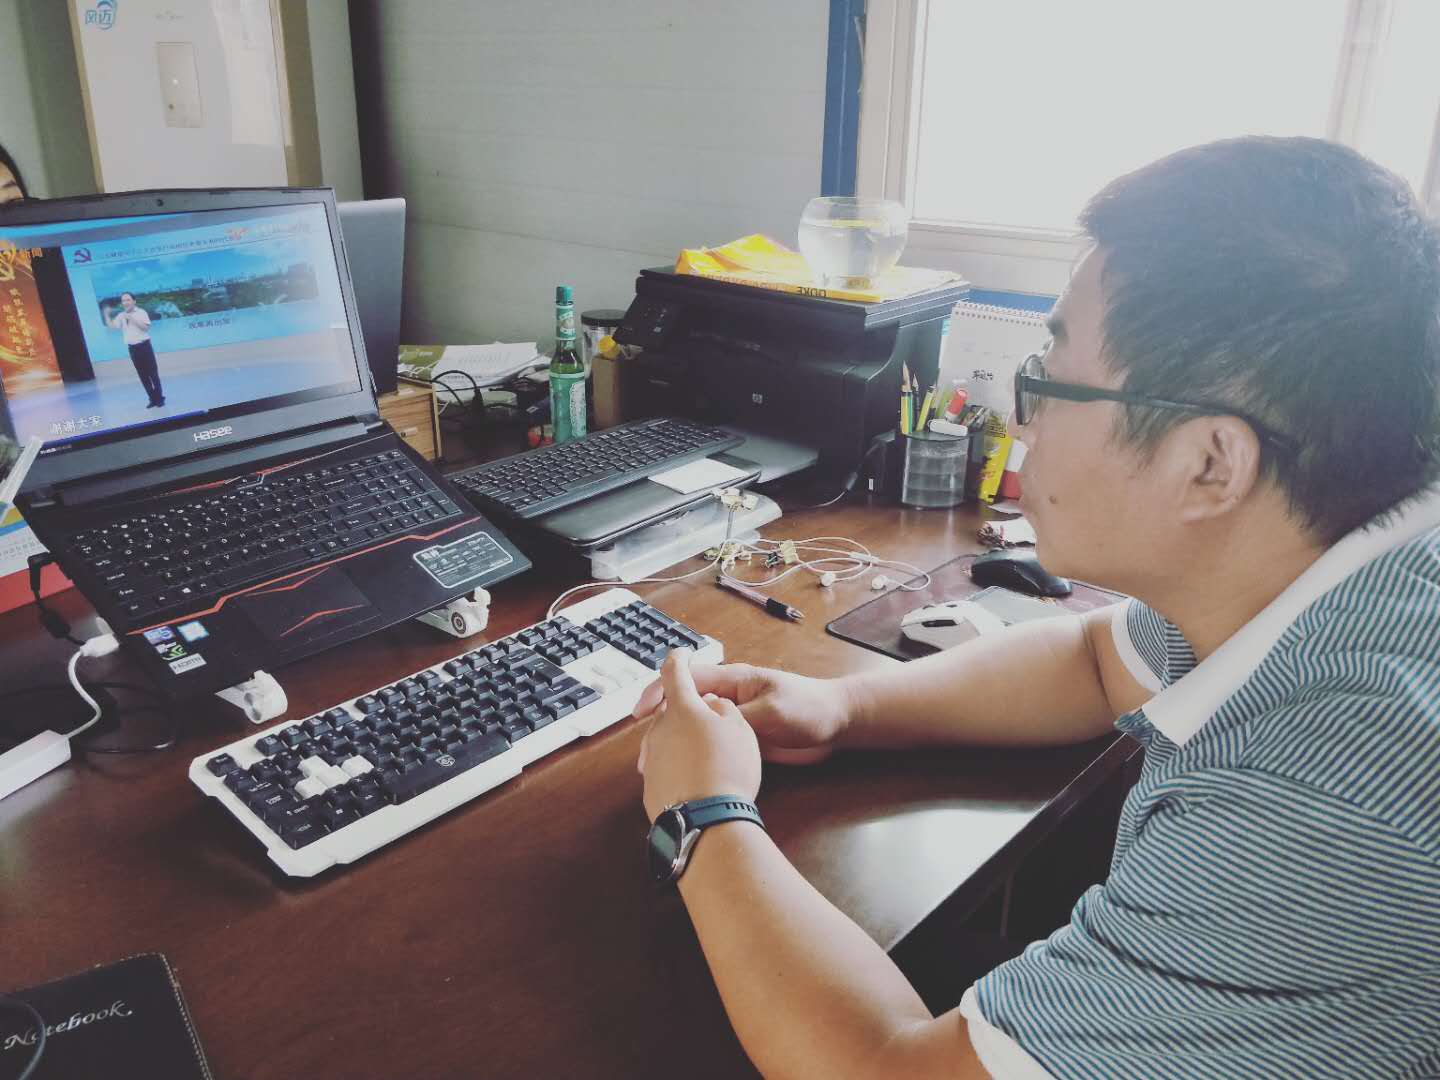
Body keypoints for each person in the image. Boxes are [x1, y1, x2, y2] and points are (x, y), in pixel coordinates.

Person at [634, 136, 1440, 1079]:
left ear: (1211, 465)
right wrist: (841, 708)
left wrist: (700, 814)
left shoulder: (1322, 806)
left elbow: (887, 1071)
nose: (1022, 422)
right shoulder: (1351, 567)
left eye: (1048, 383)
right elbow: (1098, 660)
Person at [104, 292, 165, 407]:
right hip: (133, 349)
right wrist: (106, 315)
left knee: (153, 374)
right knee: (143, 375)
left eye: (128, 300)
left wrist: (131, 318)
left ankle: (160, 398)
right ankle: (152, 399)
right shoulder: (121, 315)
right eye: (123, 301)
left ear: (134, 301)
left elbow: (146, 328)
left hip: (145, 346)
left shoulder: (141, 312)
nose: (125, 302)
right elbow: (112, 327)